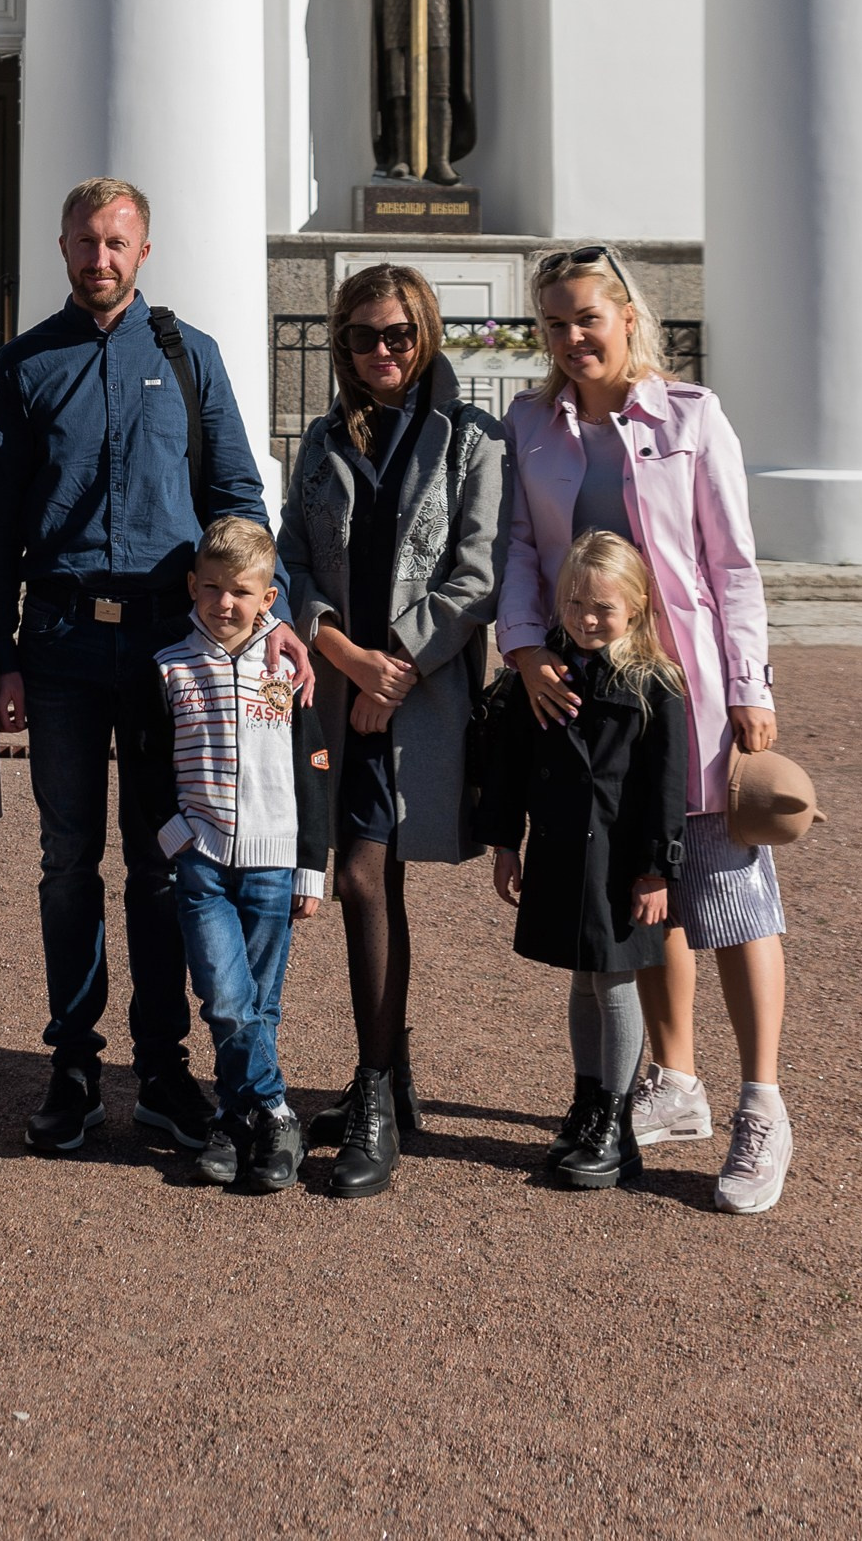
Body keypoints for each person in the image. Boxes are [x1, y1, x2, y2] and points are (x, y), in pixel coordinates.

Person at [0, 176, 312, 1161]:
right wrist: (1, 655)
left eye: (115, 240)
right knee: (66, 862)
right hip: (66, 643)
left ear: (142, 248)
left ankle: (160, 1068)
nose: (98, 256)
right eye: (83, 239)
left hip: (176, 650)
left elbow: (238, 494)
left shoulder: (187, 355)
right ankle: (72, 1066)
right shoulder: (26, 364)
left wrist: (270, 612)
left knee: (170, 859)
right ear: (63, 244)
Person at [498, 241, 794, 1216]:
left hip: (693, 695)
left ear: (626, 313)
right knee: (645, 891)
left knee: (731, 899)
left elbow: (732, 563)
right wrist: (524, 649)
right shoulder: (530, 425)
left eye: (586, 314)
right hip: (587, 706)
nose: (571, 335)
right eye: (552, 321)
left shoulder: (690, 416)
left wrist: (749, 682)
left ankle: (761, 1102)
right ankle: (673, 1078)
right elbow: (518, 554)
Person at [277, 261, 503, 1199]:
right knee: (378, 880)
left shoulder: (471, 439)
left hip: (420, 697)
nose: (382, 352)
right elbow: (294, 556)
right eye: (364, 336)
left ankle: (372, 1088)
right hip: (342, 692)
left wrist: (395, 665)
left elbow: (480, 571)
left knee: (365, 876)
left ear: (427, 335)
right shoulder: (323, 439)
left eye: (399, 335)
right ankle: (393, 1074)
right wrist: (341, 651)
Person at [121, 516, 330, 1195]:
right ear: (191, 586)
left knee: (259, 1009)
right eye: (210, 587)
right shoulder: (170, 666)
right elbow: (147, 767)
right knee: (227, 999)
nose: (224, 602)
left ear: (269, 596)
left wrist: (311, 864)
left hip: (273, 865)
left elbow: (313, 769)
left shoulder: (287, 668)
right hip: (203, 862)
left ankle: (236, 1123)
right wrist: (177, 838)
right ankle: (276, 1109)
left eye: (241, 590)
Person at [480, 533, 688, 1191]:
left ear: (635, 606)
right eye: (574, 603)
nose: (586, 618)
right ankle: (588, 1100)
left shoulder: (656, 685)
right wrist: (506, 841)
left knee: (616, 982)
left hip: (623, 863)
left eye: (602, 606)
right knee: (582, 979)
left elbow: (666, 786)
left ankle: (616, 1125)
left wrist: (659, 869)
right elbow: (509, 767)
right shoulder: (543, 675)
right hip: (564, 851)